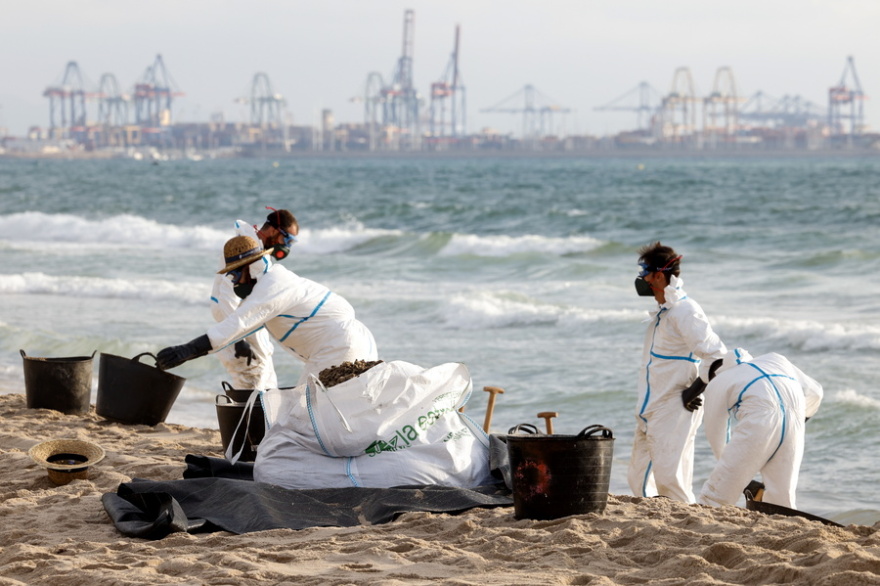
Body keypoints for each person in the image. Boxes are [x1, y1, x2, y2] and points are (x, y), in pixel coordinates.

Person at [158, 235, 377, 385]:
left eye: (235, 274)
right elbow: (236, 328)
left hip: (340, 347)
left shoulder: (274, 285)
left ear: (251, 267)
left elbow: (237, 324)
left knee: (307, 412)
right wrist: (191, 352)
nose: (233, 281)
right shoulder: (265, 289)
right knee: (330, 410)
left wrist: (185, 350)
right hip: (345, 344)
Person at [628, 242, 727, 503]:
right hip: (650, 406)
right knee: (639, 477)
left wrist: (692, 392)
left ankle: (682, 522)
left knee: (670, 480)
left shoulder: (685, 310)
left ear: (659, 276)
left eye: (644, 273)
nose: (641, 279)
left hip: (672, 408)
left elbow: (716, 356)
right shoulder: (665, 312)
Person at [683, 348, 823, 509]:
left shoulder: (718, 382)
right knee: (781, 496)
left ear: (715, 373)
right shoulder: (774, 358)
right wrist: (801, 419)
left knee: (716, 494)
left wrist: (733, 468)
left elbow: (716, 431)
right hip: (796, 415)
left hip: (760, 418)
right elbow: (816, 393)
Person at [210, 208, 299, 390]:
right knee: (252, 384)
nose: (288, 246)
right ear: (274, 231)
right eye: (288, 239)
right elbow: (227, 297)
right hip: (237, 331)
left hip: (245, 327)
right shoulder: (243, 250)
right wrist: (236, 340)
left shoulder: (257, 251)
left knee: (264, 383)